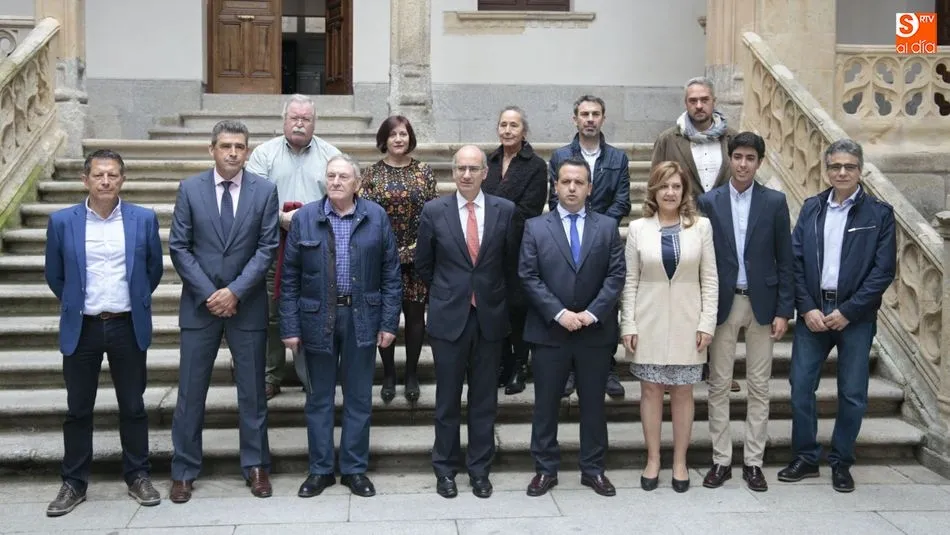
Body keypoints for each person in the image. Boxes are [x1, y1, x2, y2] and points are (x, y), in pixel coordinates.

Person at [43, 149, 164, 516]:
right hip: (83, 326)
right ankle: (74, 482)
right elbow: (55, 275)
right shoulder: (62, 222)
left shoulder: (143, 219)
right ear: (86, 180)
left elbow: (153, 270)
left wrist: (132, 302)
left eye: (113, 175)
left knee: (133, 406)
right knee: (78, 409)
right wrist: (76, 303)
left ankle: (138, 475)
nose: (106, 181)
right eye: (99, 175)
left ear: (122, 179)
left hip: (127, 324)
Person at [168, 120, 279, 503]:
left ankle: (257, 465)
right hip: (200, 308)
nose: (233, 152)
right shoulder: (190, 189)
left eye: (240, 146)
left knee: (253, 392)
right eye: (226, 146)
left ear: (248, 151)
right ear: (212, 149)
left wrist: (234, 291)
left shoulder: (264, 191)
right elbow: (179, 247)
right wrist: (210, 294)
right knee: (190, 392)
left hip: (246, 306)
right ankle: (183, 470)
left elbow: (267, 248)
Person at [280, 154, 402, 498]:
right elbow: (289, 278)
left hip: (362, 317)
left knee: (359, 398)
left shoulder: (376, 217)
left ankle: (354, 469)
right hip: (316, 318)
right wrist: (289, 326)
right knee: (318, 398)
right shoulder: (305, 218)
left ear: (357, 183)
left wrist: (388, 322)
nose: (335, 181)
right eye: (331, 175)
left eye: (343, 176)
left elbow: (391, 274)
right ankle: (320, 470)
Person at [779, 139, 896, 493]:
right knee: (801, 386)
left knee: (853, 393)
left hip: (855, 317)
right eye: (835, 166)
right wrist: (807, 307)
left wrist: (849, 310)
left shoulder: (879, 214)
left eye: (849, 166)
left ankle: (841, 462)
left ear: (860, 170)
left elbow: (883, 271)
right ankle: (805, 456)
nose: (842, 172)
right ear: (826, 169)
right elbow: (795, 262)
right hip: (814, 312)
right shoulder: (812, 208)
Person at [415, 145, 518, 499]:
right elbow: (424, 263)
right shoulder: (434, 211)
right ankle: (445, 469)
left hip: (489, 318)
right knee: (446, 400)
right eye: (461, 168)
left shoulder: (505, 210)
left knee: (484, 400)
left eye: (474, 168)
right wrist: (449, 292)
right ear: (453, 172)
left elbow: (510, 263)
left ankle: (479, 470)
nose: (467, 174)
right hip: (449, 318)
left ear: (485, 173)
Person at [520, 157, 625, 498]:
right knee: (546, 405)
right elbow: (528, 276)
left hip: (594, 333)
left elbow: (616, 275)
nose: (572, 188)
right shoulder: (536, 227)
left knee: (593, 405)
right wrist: (559, 313)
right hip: (550, 332)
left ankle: (593, 469)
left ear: (589, 188)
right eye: (566, 181)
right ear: (555, 186)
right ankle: (544, 469)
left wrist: (592, 313)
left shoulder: (606, 227)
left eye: (579, 182)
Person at [696, 132, 794, 492]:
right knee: (719, 384)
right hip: (723, 302)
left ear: (759, 162)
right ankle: (721, 460)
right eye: (737, 157)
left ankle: (754, 462)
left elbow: (786, 259)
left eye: (750, 158)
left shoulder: (775, 202)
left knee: (759, 386)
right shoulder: (709, 201)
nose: (742, 164)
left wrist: (784, 310)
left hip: (763, 304)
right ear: (729, 159)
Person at [621, 161, 717, 494]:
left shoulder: (701, 227)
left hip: (689, 322)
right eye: (664, 186)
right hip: (648, 320)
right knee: (650, 390)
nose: (670, 192)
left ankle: (679, 461)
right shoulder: (638, 228)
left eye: (676, 186)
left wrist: (707, 322)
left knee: (682, 391)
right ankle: (652, 459)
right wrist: (628, 323)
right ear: (654, 190)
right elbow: (630, 280)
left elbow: (710, 279)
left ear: (685, 191)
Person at [246, 94, 342, 400]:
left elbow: (341, 199)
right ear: (284, 120)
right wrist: (281, 218)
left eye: (306, 119)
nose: (299, 124)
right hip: (272, 243)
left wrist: (309, 220)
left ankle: (312, 374)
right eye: (294, 118)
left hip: (318, 246)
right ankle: (271, 374)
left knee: (316, 311)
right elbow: (252, 199)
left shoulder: (331, 155)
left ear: (315, 123)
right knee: (272, 311)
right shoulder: (264, 154)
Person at [652, 76, 740, 393]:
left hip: (724, 228)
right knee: (684, 295)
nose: (699, 105)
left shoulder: (733, 138)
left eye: (704, 99)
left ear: (714, 101)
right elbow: (656, 182)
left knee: (718, 295)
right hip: (682, 226)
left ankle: (718, 369)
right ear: (685, 103)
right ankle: (679, 366)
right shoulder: (669, 139)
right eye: (693, 100)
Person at [548, 94, 630, 399]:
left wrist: (597, 228)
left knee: (605, 303)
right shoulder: (560, 156)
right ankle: (570, 370)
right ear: (575, 119)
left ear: (603, 118)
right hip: (568, 239)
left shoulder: (618, 159)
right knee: (570, 297)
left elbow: (623, 200)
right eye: (585, 114)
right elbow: (554, 199)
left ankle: (608, 368)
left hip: (604, 242)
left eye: (596, 114)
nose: (590, 119)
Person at [361, 116, 436, 404]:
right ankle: (389, 374)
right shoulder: (371, 174)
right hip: (382, 259)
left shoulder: (424, 172)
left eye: (403, 134)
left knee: (415, 318)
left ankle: (412, 373)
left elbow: (432, 214)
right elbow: (366, 218)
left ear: (410, 138)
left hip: (417, 258)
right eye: (392, 134)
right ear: (384, 139)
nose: (398, 139)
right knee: (386, 317)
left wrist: (419, 250)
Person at [483, 105, 547, 395]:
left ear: (524, 131)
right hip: (488, 249)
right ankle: (503, 363)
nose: (508, 130)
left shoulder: (536, 166)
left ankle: (520, 365)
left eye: (514, 125)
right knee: (496, 309)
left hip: (519, 247)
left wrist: (494, 220)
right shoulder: (489, 161)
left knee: (518, 309)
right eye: (503, 125)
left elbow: (529, 210)